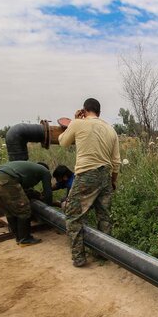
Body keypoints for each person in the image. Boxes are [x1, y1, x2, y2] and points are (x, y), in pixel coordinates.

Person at [58, 98, 120, 267]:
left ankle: (79, 258)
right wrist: (113, 181)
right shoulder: (110, 129)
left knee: (72, 214)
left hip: (87, 175)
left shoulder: (78, 124)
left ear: (84, 111)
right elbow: (116, 162)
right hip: (106, 176)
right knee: (104, 216)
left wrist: (76, 120)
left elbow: (63, 142)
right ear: (99, 112)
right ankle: (102, 254)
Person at [0, 160, 53, 246]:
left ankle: (18, 237)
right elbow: (48, 192)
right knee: (24, 209)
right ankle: (25, 239)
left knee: (9, 210)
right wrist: (48, 208)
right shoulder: (45, 171)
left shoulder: (27, 169)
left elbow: (24, 190)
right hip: (5, 179)